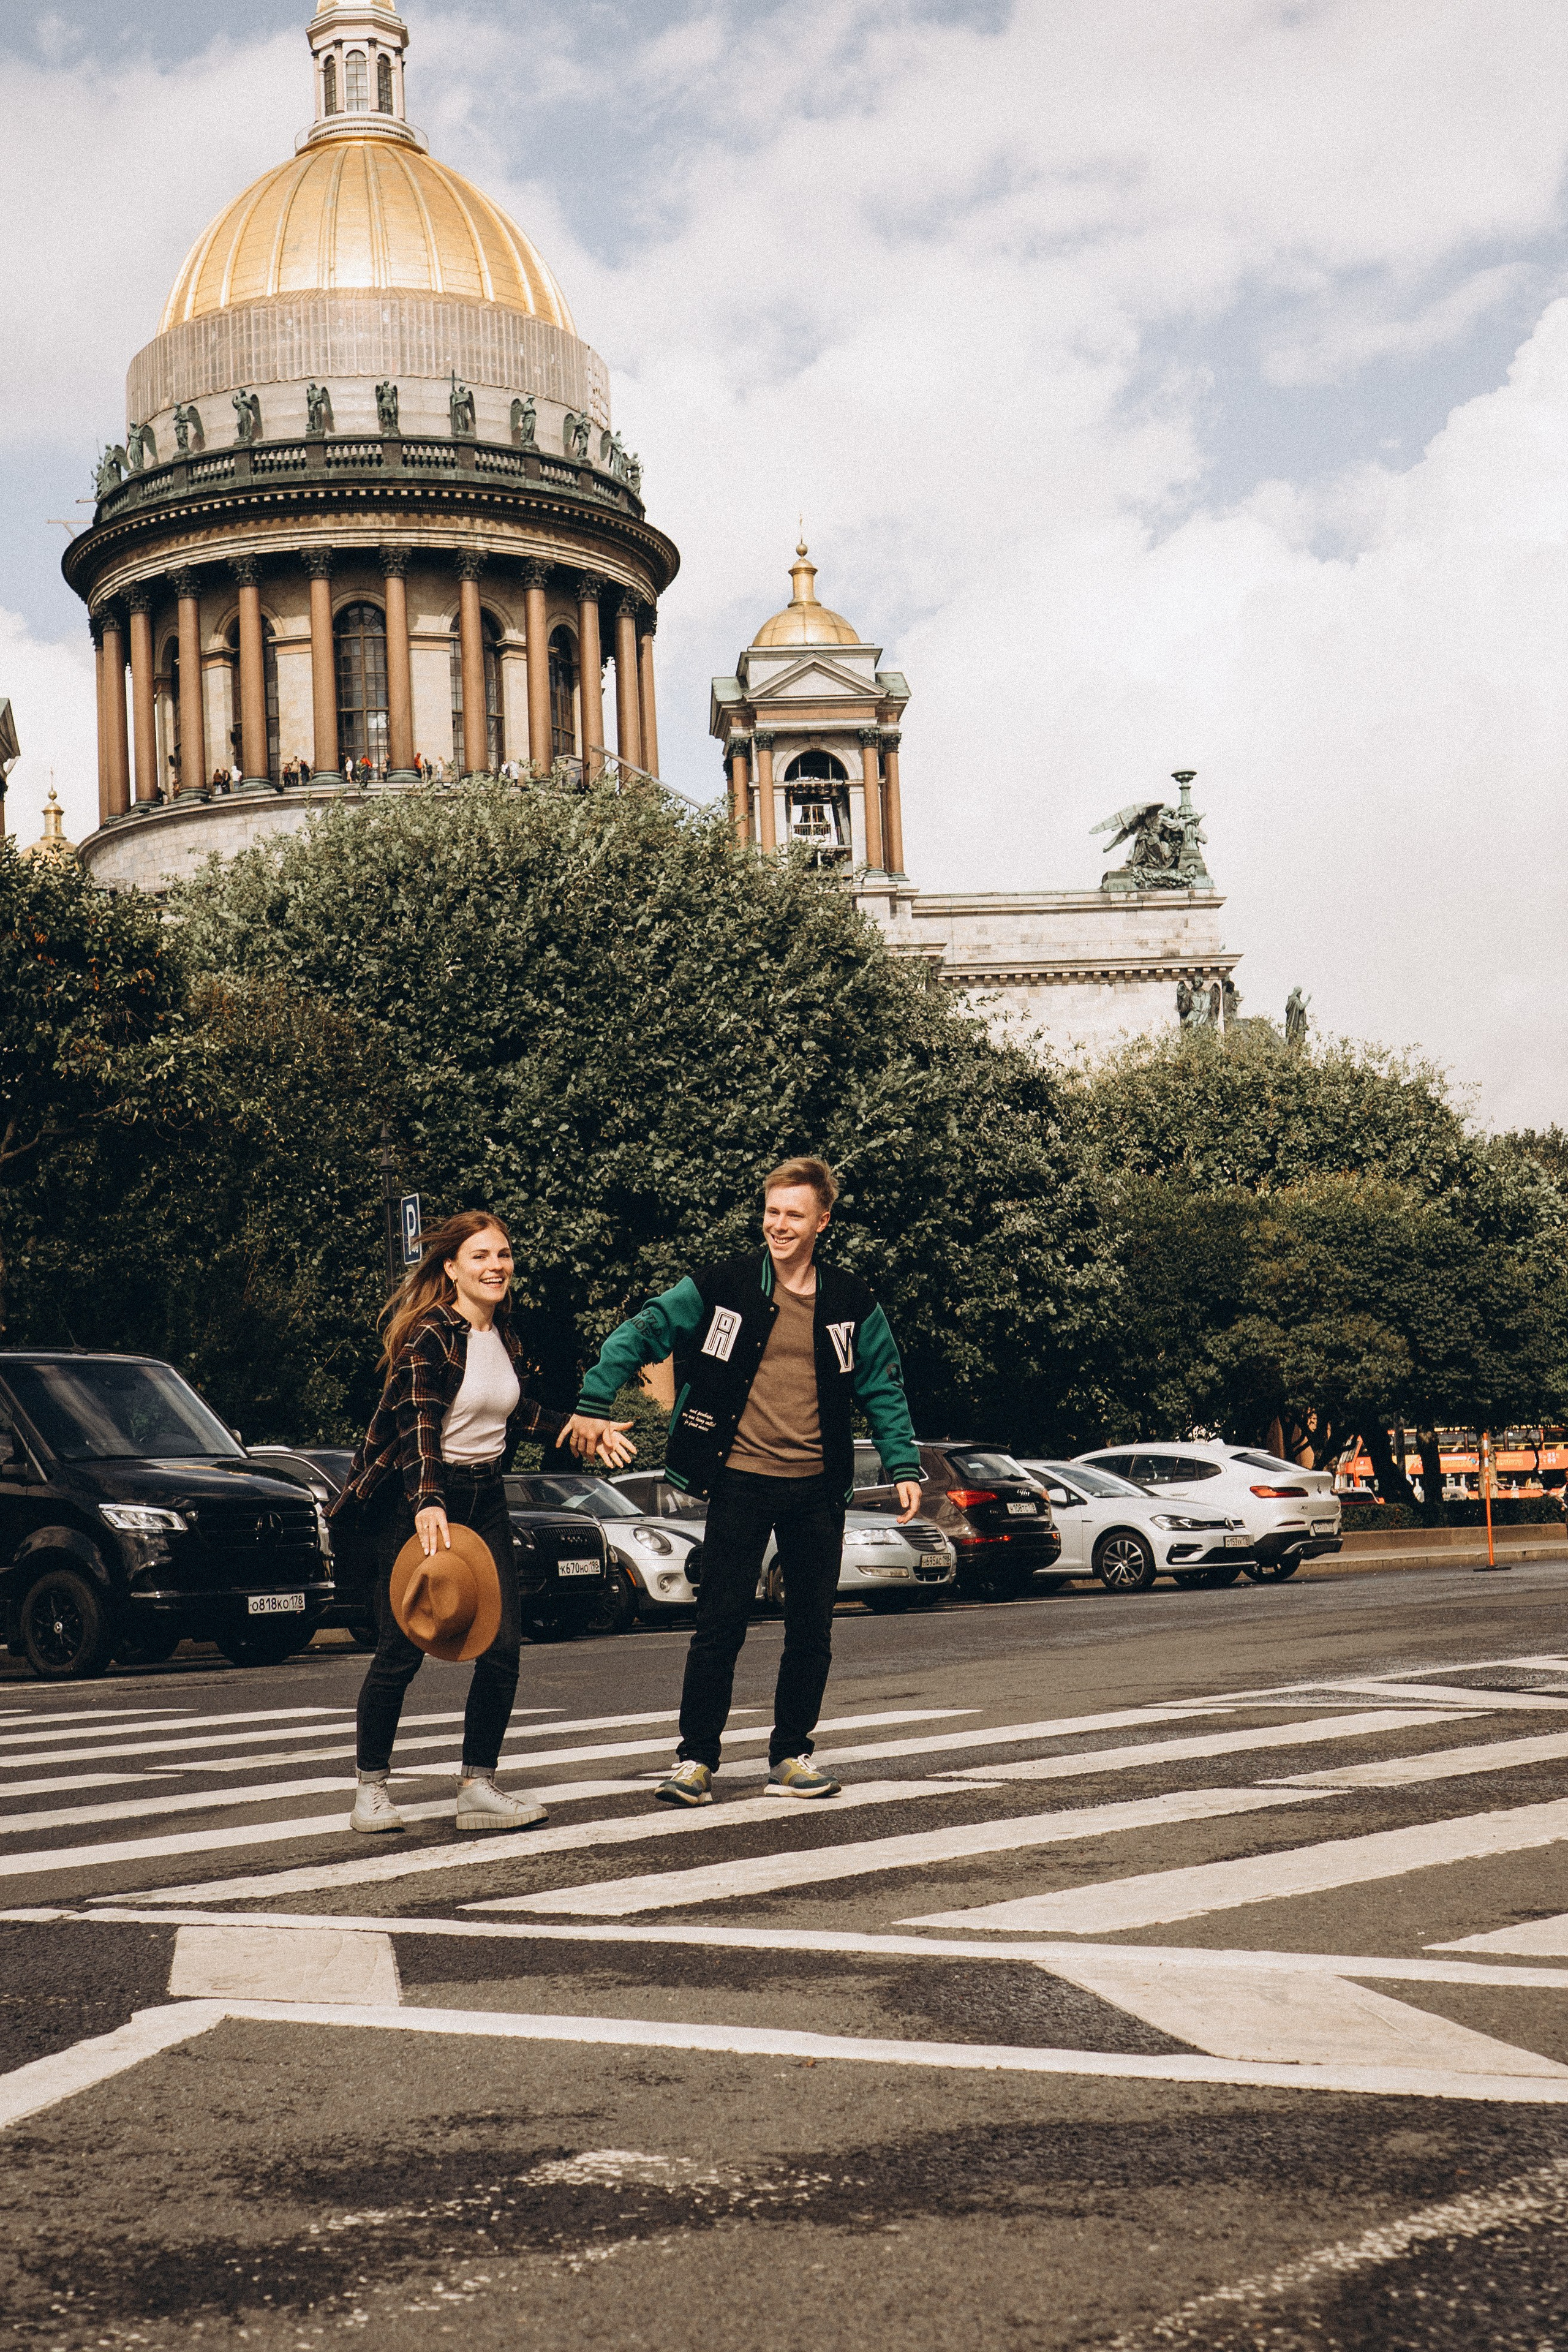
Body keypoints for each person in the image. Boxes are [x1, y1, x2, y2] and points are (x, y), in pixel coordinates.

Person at [562, 1157, 923, 1806]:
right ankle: (696, 1761)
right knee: (718, 1626)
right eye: (772, 1212)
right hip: (739, 1481)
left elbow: (882, 1384)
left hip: (817, 1488)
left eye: (794, 1214)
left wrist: (902, 1464)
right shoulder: (723, 1284)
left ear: (822, 1221)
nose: (779, 1225)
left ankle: (790, 1756)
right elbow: (646, 1328)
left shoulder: (850, 1300)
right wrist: (594, 1398)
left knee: (810, 1630)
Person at [333, 1208, 632, 1834]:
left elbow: (517, 1415)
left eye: (502, 1255)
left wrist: (582, 1429)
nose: (495, 1266)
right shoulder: (430, 1337)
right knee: (401, 1647)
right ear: (451, 1269)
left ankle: (477, 1786)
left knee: (500, 1646)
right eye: (480, 1257)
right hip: (417, 1499)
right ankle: (371, 1790)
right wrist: (427, 1502)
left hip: (485, 1495)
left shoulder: (505, 1337)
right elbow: (418, 1427)